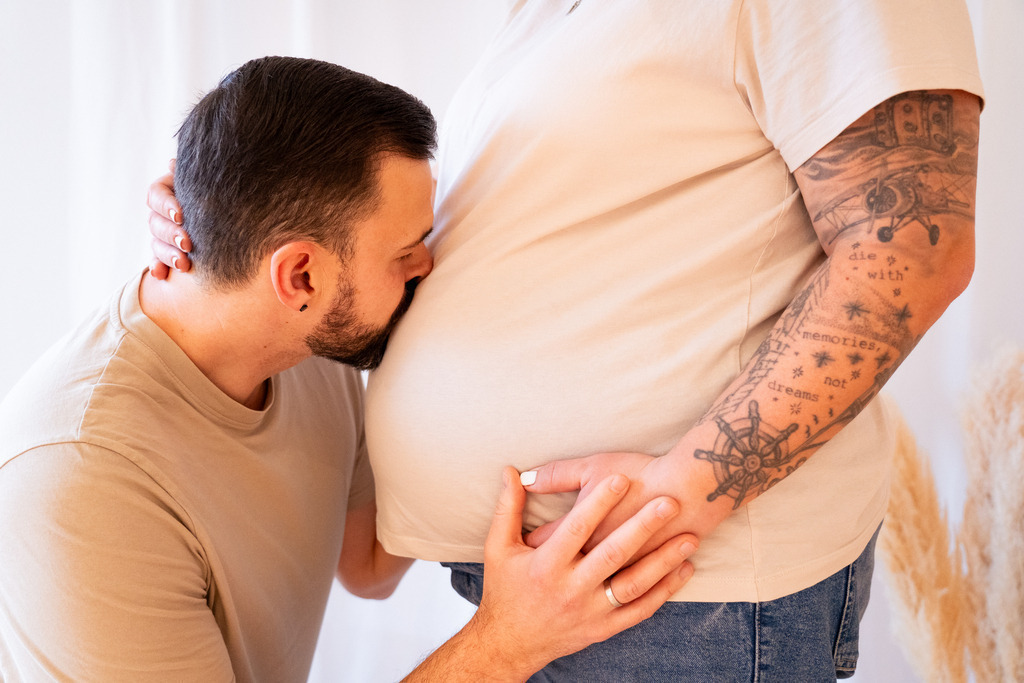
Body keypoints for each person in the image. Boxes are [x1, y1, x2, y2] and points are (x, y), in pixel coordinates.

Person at [149, 3, 985, 680]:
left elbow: (914, 245)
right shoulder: (544, 21)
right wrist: (235, 223)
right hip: (559, 593)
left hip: (677, 598)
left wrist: (677, 497)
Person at [0, 56, 701, 682]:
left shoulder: (304, 346)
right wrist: (509, 639)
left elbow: (365, 562)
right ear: (299, 274)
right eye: (406, 253)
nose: (427, 266)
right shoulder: (78, 478)